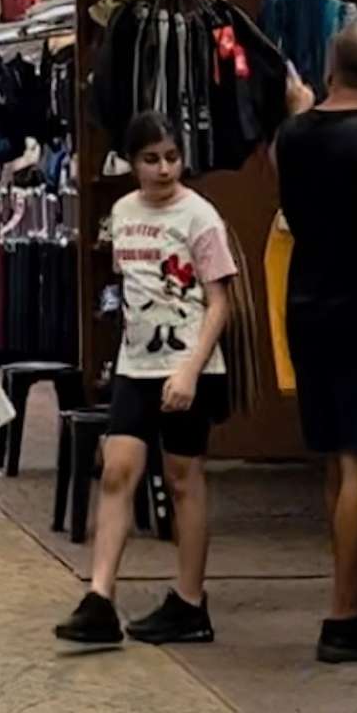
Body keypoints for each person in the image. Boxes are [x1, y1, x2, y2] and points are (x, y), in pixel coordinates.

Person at [54, 112, 238, 649]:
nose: (163, 170)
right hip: (136, 366)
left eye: (171, 158)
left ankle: (189, 600)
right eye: (151, 159)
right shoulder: (122, 212)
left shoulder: (200, 216)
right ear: (131, 163)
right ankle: (99, 596)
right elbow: (127, 288)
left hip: (188, 368)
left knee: (183, 478)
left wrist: (190, 368)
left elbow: (219, 300)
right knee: (118, 469)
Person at [274, 20, 357, 664]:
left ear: (330, 67)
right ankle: (344, 614)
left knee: (333, 456)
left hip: (304, 307)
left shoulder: (291, 137)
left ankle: (355, 589)